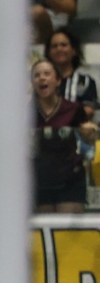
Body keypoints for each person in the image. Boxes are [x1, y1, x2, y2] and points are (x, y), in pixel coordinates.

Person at [33, 59, 96, 213]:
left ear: (58, 80)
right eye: (36, 75)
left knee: (67, 233)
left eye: (47, 74)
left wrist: (90, 134)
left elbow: (87, 142)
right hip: (39, 181)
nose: (42, 78)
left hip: (70, 180)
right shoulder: (26, 112)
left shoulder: (74, 110)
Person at [46, 28, 97, 121]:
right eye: (54, 46)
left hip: (75, 132)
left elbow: (89, 111)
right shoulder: (42, 82)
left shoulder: (85, 82)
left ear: (73, 50)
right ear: (49, 53)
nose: (59, 49)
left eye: (64, 45)